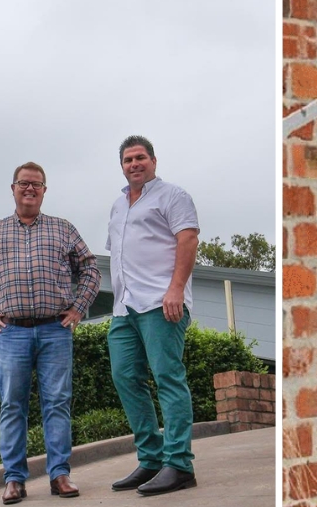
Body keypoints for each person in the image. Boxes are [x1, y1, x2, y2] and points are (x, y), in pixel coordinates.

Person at [0, 162, 101, 505]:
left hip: (55, 329)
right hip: (11, 333)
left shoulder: (63, 228)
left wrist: (79, 307)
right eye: (24, 183)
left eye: (36, 184)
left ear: (44, 190)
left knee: (58, 404)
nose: (30, 189)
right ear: (12, 188)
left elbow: (91, 269)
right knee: (12, 406)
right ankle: (13, 479)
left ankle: (60, 475)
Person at [106, 135, 200, 496]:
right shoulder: (117, 206)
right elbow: (119, 254)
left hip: (162, 304)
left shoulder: (173, 196)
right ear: (122, 166)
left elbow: (188, 239)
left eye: (140, 157)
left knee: (168, 378)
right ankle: (150, 459)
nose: (134, 164)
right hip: (124, 307)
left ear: (154, 161)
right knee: (125, 377)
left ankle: (179, 464)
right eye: (128, 160)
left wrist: (175, 288)